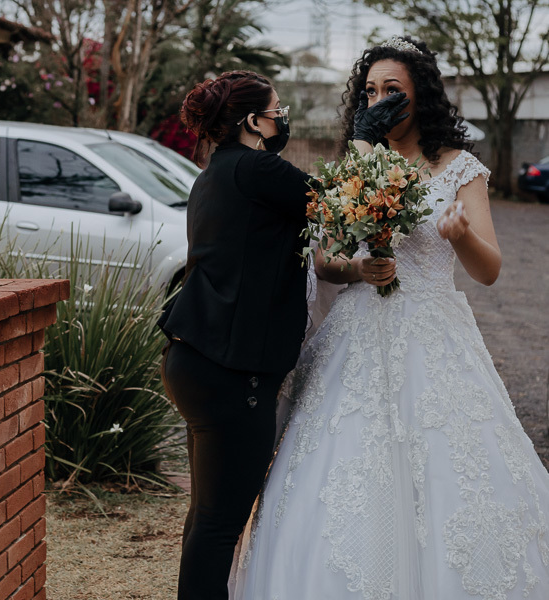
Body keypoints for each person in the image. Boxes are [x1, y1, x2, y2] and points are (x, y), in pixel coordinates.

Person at [229, 36, 549, 600]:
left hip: (435, 337)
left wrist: (460, 234)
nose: (380, 101)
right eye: (371, 91)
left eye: (392, 90)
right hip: (355, 337)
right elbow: (325, 261)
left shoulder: (460, 168)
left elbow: (490, 270)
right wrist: (359, 269)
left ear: (420, 95)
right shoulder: (355, 165)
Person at [157, 69, 407, 600]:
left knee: (207, 516)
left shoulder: (215, 172)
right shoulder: (256, 168)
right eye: (278, 111)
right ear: (253, 121)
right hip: (230, 373)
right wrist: (363, 137)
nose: (283, 119)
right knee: (220, 524)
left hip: (193, 359)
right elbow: (343, 203)